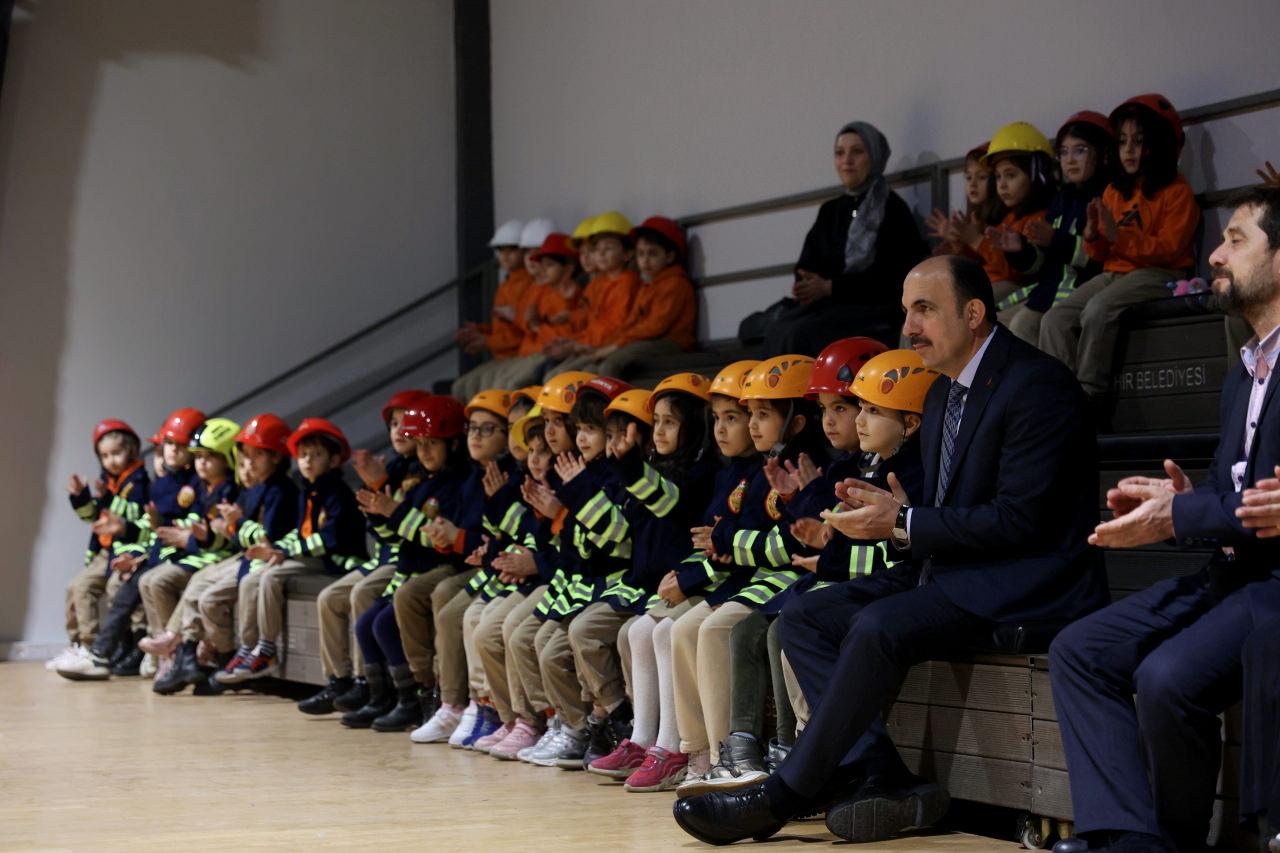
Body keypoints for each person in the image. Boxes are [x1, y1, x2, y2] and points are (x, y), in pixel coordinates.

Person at [673, 254, 1105, 846]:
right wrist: (891, 518)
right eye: (906, 312)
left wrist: (904, 521)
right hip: (956, 568)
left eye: (924, 309)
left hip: (1026, 580)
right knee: (804, 613)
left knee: (877, 624)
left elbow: (1021, 521)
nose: (909, 327)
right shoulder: (946, 392)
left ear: (974, 313)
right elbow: (942, 512)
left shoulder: (1038, 386)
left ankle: (785, 793)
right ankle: (874, 769)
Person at [1048, 187, 1280, 853]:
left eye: (1236, 239)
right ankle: (1128, 831)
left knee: (1165, 676)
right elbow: (1239, 490)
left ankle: (1168, 841)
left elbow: (1264, 505)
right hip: (1230, 569)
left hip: (1269, 579)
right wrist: (1186, 495)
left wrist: (1180, 513)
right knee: (1079, 649)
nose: (1215, 252)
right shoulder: (1244, 369)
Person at [672, 354, 828, 795]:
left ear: (796, 421)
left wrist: (727, 544)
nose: (751, 425)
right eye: (750, 414)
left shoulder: (801, 467)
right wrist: (725, 544)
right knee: (685, 630)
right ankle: (700, 751)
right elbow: (721, 536)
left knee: (717, 628)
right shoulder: (759, 468)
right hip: (763, 579)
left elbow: (789, 545)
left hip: (783, 580)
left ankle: (733, 752)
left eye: (761, 414)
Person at [1039, 94, 1200, 399]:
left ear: (1161, 144)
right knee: (1054, 319)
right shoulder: (1114, 191)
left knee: (1097, 310)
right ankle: (1056, 400)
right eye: (1123, 141)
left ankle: (1088, 398)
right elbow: (1100, 255)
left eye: (1138, 141)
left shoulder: (1177, 192)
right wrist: (1092, 236)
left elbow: (1169, 249)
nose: (1128, 150)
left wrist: (1116, 237)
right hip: (1117, 272)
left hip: (1161, 273)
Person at [297, 389, 429, 715]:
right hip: (385, 558)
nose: (398, 431)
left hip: (407, 561)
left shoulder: (424, 471)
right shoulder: (397, 467)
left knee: (360, 594)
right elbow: (382, 528)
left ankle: (368, 682)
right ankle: (340, 680)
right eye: (394, 424)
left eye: (406, 423)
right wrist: (375, 489)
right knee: (329, 598)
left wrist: (381, 488)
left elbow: (409, 532)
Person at [343, 396, 470, 731]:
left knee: (385, 622)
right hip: (413, 565)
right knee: (365, 624)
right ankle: (386, 695)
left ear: (453, 444)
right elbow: (397, 538)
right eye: (421, 444)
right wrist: (380, 510)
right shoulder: (420, 480)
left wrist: (393, 511)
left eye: (433, 444)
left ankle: (420, 694)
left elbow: (434, 538)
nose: (424, 451)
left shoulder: (456, 483)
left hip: (441, 566)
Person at [151, 414, 299, 695]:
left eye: (255, 456)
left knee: (209, 598)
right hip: (245, 556)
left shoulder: (281, 491)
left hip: (260, 559)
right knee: (198, 585)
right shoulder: (257, 488)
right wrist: (229, 528)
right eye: (245, 457)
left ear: (276, 457)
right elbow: (241, 534)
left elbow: (264, 540)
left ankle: (226, 660)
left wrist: (235, 524)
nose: (249, 464)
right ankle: (191, 654)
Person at [216, 418, 367, 682]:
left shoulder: (337, 493)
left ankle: (267, 648)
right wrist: (276, 550)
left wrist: (285, 553)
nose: (307, 461)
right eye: (303, 455)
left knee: (271, 575)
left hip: (336, 562)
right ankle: (249, 647)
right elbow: (300, 533)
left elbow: (328, 539)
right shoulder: (308, 490)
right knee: (255, 576)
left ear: (333, 460)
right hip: (314, 559)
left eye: (316, 455)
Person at [758, 120, 927, 357]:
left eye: (856, 152)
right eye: (840, 153)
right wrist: (808, 283)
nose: (846, 161)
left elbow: (891, 278)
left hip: (875, 311)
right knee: (778, 329)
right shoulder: (830, 210)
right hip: (830, 308)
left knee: (800, 334)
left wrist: (831, 287)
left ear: (875, 157)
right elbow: (807, 262)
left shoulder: (892, 209)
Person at [992, 111, 1114, 344]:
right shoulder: (1062, 199)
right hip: (1048, 292)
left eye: (1080, 150)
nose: (1069, 160)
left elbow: (1100, 260)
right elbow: (1042, 264)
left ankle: (1048, 382)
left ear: (1102, 153)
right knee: (996, 327)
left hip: (1080, 289)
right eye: (1064, 152)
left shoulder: (1107, 195)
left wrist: (1056, 240)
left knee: (1024, 325)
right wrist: (1021, 251)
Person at [51, 418, 151, 672]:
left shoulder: (138, 481)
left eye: (116, 453)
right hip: (105, 551)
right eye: (105, 456)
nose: (111, 461)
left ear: (132, 449)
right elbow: (92, 516)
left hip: (130, 549)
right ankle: (82, 645)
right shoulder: (109, 481)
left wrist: (107, 497)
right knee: (75, 587)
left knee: (112, 587)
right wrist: (81, 498)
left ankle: (104, 648)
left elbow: (133, 512)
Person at [554, 216, 697, 379]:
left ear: (670, 256)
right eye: (641, 254)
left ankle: (615, 404)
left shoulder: (674, 282)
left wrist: (614, 346)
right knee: (582, 369)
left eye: (653, 254)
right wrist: (608, 345)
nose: (645, 260)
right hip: (641, 340)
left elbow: (655, 327)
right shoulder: (649, 284)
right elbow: (630, 322)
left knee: (609, 365)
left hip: (669, 342)